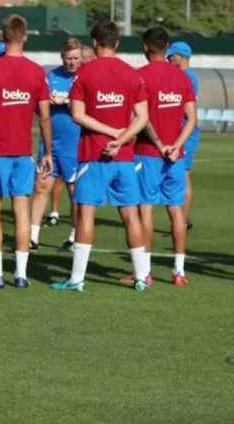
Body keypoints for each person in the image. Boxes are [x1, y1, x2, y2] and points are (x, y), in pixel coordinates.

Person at [50, 20, 149, 292]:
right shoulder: (132, 74)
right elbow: (143, 118)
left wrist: (111, 135)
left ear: (93, 43)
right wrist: (122, 138)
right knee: (131, 215)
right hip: (125, 157)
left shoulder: (84, 74)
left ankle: (77, 279)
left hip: (93, 154)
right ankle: (141, 277)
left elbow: (77, 114)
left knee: (86, 214)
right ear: (116, 43)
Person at [0, 14, 51, 289]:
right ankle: (22, 274)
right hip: (24, 153)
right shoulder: (37, 72)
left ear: (2, 37)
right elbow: (45, 117)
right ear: (24, 37)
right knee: (21, 210)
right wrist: (47, 151)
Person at [134, 27, 197, 286]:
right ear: (167, 47)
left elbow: (142, 118)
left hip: (148, 153)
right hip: (176, 155)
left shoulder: (139, 76)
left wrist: (160, 145)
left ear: (145, 48)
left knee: (145, 210)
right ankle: (179, 272)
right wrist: (175, 146)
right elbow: (192, 118)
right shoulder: (182, 77)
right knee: (176, 209)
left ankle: (145, 272)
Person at [30, 38, 83, 251]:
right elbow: (36, 107)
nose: (72, 62)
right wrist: (45, 103)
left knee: (74, 190)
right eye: (69, 58)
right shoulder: (50, 77)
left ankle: (76, 236)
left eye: (76, 58)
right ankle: (32, 236)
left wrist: (69, 103)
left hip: (76, 144)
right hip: (50, 143)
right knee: (41, 184)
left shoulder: (85, 77)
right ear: (62, 57)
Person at [166, 41, 199, 229]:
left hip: (185, 133)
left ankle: (182, 221)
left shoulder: (186, 76)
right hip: (182, 132)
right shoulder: (186, 75)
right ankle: (182, 220)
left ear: (182, 56)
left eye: (172, 55)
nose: (169, 57)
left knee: (183, 176)